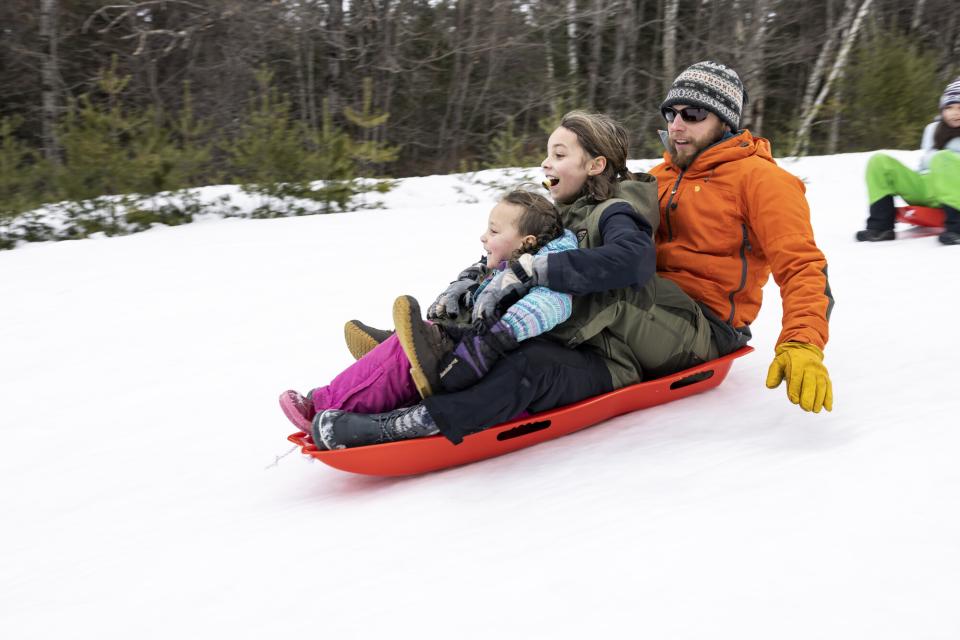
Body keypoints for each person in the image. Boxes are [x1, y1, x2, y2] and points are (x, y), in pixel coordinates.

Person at [314, 111, 715, 450]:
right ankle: (418, 352)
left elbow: (634, 261)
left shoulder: (617, 211)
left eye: (559, 155)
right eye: (547, 154)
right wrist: (467, 282)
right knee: (492, 335)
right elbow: (515, 254)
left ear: (595, 165)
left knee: (526, 365)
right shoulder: (568, 212)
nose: (546, 163)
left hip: (612, 355)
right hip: (576, 334)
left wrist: (536, 270)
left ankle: (412, 422)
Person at [278, 189, 579, 443]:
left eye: (495, 231)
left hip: (481, 366)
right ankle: (403, 351)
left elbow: (554, 304)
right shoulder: (505, 265)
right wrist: (460, 289)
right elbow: (476, 285)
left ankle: (324, 404)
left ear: (526, 241)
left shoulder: (546, 269)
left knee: (402, 358)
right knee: (405, 361)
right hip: (467, 353)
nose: (483, 237)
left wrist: (494, 338)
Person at [649, 60, 834, 413]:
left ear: (724, 121)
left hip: (707, 324)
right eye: (670, 114)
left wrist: (802, 343)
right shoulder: (660, 174)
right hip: (647, 302)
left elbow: (803, 266)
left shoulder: (760, 180)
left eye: (693, 113)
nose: (676, 125)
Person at [856, 77, 960, 245]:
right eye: (949, 107)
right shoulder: (933, 130)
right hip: (928, 188)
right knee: (879, 161)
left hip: (957, 190)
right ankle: (881, 227)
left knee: (943, 158)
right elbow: (924, 164)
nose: (955, 112)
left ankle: (957, 229)